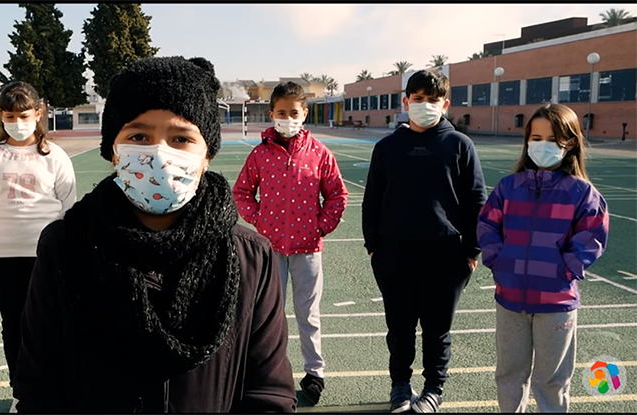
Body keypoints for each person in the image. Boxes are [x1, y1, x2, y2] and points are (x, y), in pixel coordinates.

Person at [11, 56, 297, 413]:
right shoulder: (65, 246)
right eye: (139, 136)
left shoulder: (249, 257)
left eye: (181, 138)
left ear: (206, 154)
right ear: (113, 151)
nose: (159, 154)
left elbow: (268, 393)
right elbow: (40, 389)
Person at [361, 69, 488, 413]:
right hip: (394, 254)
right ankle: (400, 386)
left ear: (445, 104)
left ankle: (434, 388)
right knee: (399, 329)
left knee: (437, 330)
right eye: (418, 99)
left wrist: (470, 251)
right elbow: (372, 198)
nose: (425, 105)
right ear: (406, 102)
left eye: (433, 100)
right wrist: (374, 246)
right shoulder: (387, 147)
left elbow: (476, 200)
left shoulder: (459, 145)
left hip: (445, 256)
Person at [477, 103, 609, 413]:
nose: (541, 145)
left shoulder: (582, 194)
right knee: (509, 375)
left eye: (551, 139)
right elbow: (487, 226)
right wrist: (500, 261)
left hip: (555, 305)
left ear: (570, 142)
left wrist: (563, 269)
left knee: (552, 380)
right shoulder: (509, 187)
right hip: (510, 300)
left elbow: (592, 238)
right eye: (535, 138)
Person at [232, 81, 348, 406]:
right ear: (272, 114)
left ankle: (315, 372)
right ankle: (270, 374)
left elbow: (337, 194)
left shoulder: (320, 154)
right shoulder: (260, 155)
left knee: (307, 313)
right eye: (281, 112)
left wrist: (320, 227)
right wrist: (259, 220)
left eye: (293, 112)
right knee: (269, 315)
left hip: (308, 249)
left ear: (304, 114)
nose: (287, 117)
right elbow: (242, 191)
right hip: (271, 251)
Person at [0, 81, 76, 396]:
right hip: (2, 250)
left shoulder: (53, 154)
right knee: (13, 322)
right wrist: (5, 226)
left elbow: (68, 203)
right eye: (10, 116)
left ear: (38, 114)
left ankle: (55, 388)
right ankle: (21, 392)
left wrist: (55, 243)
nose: (17, 123)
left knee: (50, 321)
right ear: (1, 116)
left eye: (24, 115)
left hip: (45, 251)